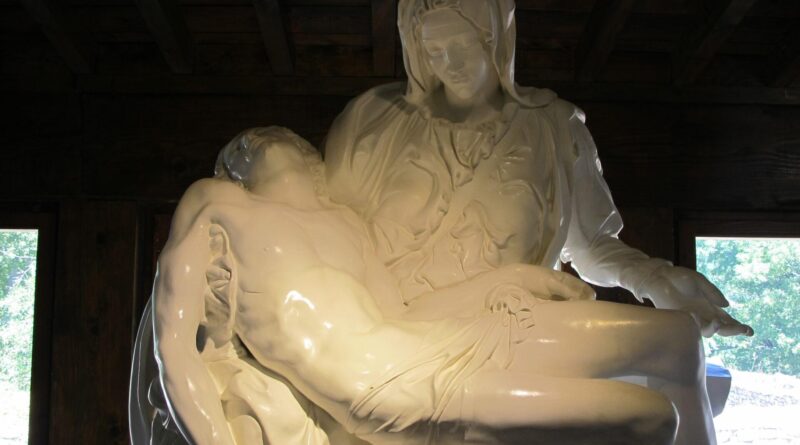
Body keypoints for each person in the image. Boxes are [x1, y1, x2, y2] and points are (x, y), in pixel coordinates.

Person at [321, 1, 753, 443]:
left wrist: (654, 279)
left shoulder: (553, 127)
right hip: (400, 332)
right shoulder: (374, 122)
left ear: (494, 38)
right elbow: (327, 230)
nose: (449, 64)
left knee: (680, 340)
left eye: (462, 46)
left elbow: (591, 245)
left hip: (507, 326)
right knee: (669, 359)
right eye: (434, 50)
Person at [153, 127, 695, 445]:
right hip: (388, 390)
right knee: (649, 416)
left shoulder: (345, 223)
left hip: (431, 342)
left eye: (278, 135)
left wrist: (511, 279)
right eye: (248, 143)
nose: (264, 139)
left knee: (669, 340)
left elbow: (406, 312)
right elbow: (172, 348)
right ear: (236, 167)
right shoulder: (218, 203)